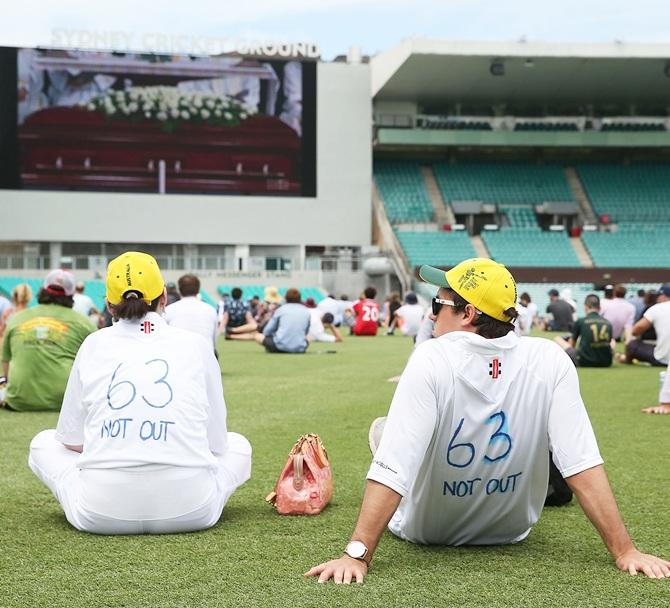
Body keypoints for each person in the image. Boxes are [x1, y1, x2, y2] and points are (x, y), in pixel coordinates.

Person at [305, 257, 670, 583]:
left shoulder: (430, 357)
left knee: (394, 442)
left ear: (469, 314)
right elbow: (581, 463)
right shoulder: (549, 357)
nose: (432, 314)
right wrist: (625, 551)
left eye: (439, 303)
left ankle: (386, 436)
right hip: (513, 529)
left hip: (427, 530)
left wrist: (356, 555)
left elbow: (393, 468)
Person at [28, 251, 251, 534]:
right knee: (239, 444)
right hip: (192, 508)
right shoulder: (196, 344)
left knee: (43, 443)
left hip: (100, 511)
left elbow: (71, 440)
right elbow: (217, 442)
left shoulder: (93, 344)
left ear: (109, 305)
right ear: (164, 298)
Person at [1, 270, 95, 411]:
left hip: (18, 401)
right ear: (71, 295)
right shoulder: (85, 323)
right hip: (65, 403)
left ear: (43, 290)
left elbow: (6, 364)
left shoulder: (17, 319)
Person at [554, 294, 613, 367]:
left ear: (585, 307)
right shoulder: (608, 322)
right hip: (606, 362)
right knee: (613, 341)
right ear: (599, 308)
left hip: (583, 361)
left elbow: (571, 345)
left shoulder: (581, 321)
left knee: (557, 339)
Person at [164, 274, 219, 350]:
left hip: (177, 356)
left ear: (179, 289)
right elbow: (214, 339)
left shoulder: (168, 310)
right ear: (198, 289)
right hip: (205, 357)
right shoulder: (211, 310)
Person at [622, 284, 670, 367]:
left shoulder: (657, 308)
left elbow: (636, 329)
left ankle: (627, 360)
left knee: (632, 344)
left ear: (663, 296)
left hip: (662, 358)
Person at [255, 288, 310, 353]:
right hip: (299, 348)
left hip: (280, 347)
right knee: (308, 338)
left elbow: (267, 331)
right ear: (300, 298)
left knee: (258, 336)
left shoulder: (281, 310)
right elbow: (306, 332)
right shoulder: (306, 311)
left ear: (286, 298)